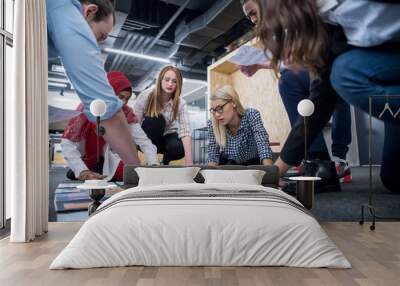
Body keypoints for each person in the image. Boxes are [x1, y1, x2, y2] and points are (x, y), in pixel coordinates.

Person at [254, 0, 400, 193]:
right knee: (394, 177)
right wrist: (276, 171)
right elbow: (319, 103)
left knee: (346, 72)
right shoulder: (328, 26)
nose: (289, 57)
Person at [239, 0, 353, 182]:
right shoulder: (275, 31)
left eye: (253, 12)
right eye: (248, 16)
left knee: (335, 83)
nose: (252, 19)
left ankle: (340, 157)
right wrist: (259, 65)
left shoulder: (304, 11)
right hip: (316, 67)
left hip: (344, 61)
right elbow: (289, 60)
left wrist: (278, 168)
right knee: (288, 80)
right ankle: (317, 158)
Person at [47, 0, 140, 166]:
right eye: (100, 35)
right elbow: (104, 108)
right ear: (89, 12)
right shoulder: (66, 10)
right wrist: (141, 175)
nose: (95, 43)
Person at [61, 71, 159, 181]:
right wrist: (81, 170)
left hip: (108, 160)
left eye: (126, 99)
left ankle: (94, 171)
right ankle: (82, 170)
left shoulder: (126, 113)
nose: (123, 102)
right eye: (120, 96)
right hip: (85, 160)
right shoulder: (87, 109)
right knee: (81, 173)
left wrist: (153, 165)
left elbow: (144, 141)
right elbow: (67, 144)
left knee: (133, 176)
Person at [134, 66, 193, 165]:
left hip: (166, 137)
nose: (170, 84)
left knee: (178, 148)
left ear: (178, 84)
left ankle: (164, 162)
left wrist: (189, 161)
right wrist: (133, 158)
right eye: (167, 80)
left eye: (174, 81)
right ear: (160, 80)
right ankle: (151, 157)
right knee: (157, 119)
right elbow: (135, 126)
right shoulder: (145, 96)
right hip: (148, 138)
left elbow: (186, 131)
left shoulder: (180, 103)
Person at [207, 85, 273, 166]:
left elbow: (263, 147)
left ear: (233, 103)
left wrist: (269, 174)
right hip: (229, 164)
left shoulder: (251, 115)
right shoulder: (213, 123)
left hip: (252, 163)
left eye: (220, 108)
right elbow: (212, 155)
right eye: (213, 110)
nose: (216, 114)